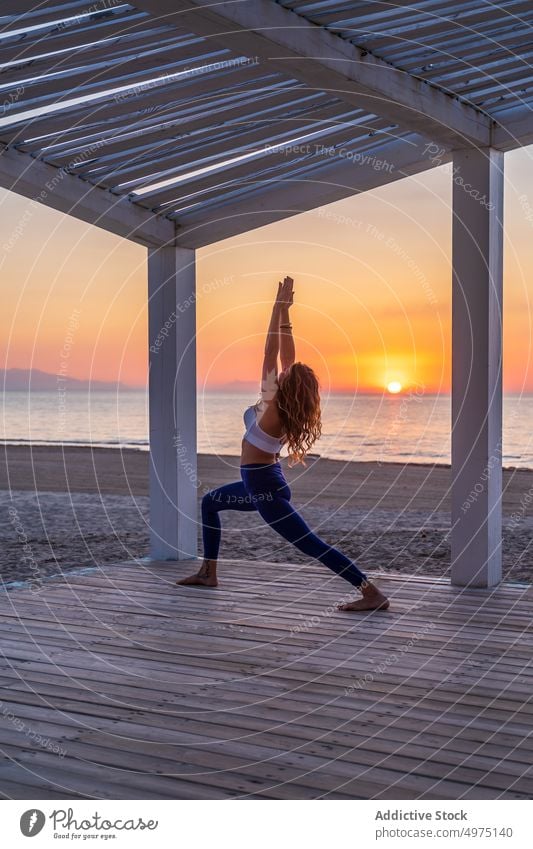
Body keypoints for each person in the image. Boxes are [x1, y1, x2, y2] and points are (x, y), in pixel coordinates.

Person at [177, 277, 390, 612]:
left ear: (288, 386)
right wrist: (287, 315)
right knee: (210, 502)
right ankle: (208, 573)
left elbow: (270, 351)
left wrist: (276, 306)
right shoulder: (279, 406)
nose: (283, 371)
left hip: (265, 490)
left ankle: (371, 593)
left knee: (311, 544)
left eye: (288, 374)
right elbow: (286, 353)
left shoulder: (274, 406)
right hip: (260, 483)